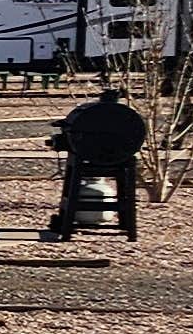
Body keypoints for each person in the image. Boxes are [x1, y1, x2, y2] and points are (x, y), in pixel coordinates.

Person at [48, 84, 147, 240]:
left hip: (86, 152)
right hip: (119, 154)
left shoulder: (87, 114)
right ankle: (127, 229)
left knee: (74, 186)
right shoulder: (126, 117)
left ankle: (66, 225)